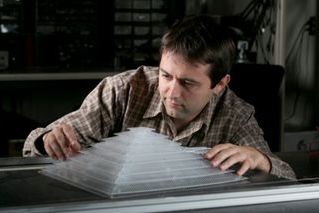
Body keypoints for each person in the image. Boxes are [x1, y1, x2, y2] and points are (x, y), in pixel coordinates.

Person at [23, 15, 296, 180]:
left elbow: (286, 176)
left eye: (188, 82)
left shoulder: (236, 114)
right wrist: (48, 140)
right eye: (166, 76)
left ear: (220, 85)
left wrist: (262, 160)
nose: (171, 92)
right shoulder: (124, 90)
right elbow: (36, 146)